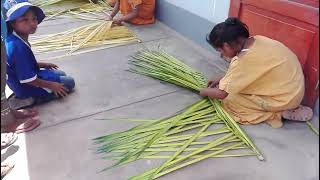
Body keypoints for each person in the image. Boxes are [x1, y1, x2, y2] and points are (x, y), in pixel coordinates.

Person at [200, 17, 313, 128]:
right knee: (238, 81)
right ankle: (285, 106)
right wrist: (222, 80)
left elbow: (222, 94)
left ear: (226, 45)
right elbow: (248, 72)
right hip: (294, 90)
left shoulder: (243, 61)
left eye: (220, 50)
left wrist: (202, 91)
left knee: (232, 100)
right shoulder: (258, 39)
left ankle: (278, 113)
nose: (221, 55)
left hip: (285, 99)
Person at [4, 1, 75, 106]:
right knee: (70, 82)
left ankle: (40, 90)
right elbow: (27, 79)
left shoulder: (14, 38)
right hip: (25, 86)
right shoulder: (17, 47)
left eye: (34, 18)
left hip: (25, 77)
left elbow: (20, 65)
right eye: (25, 20)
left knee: (61, 74)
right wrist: (52, 85)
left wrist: (42, 64)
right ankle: (31, 99)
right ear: (13, 24)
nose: (32, 23)